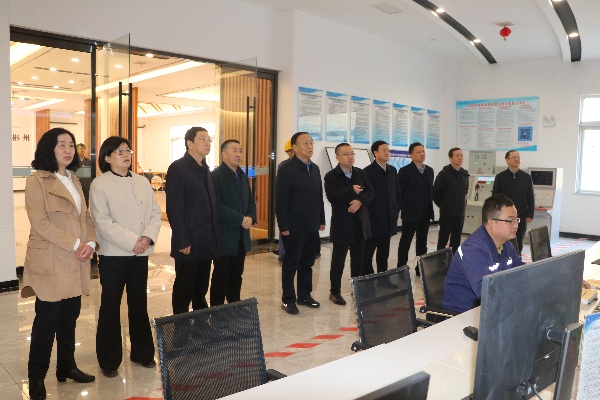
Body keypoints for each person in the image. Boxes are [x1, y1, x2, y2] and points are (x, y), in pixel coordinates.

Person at [22, 127, 96, 400]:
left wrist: (91, 243)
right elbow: (40, 223)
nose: (68, 150)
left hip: (76, 261)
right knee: (45, 323)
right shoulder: (37, 181)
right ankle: (36, 377)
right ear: (49, 149)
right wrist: (77, 244)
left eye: (71, 145)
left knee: (69, 318)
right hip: (51, 261)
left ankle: (66, 366)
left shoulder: (74, 180)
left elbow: (85, 218)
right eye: (61, 144)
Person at [90, 136, 162, 378]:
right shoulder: (100, 184)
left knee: (139, 304)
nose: (125, 155)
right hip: (114, 255)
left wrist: (147, 238)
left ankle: (142, 352)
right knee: (110, 306)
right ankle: (109, 360)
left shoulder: (142, 182)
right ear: (107, 157)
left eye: (127, 151)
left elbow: (155, 213)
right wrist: (133, 242)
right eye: (119, 151)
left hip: (140, 254)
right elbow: (102, 221)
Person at [166, 126, 219, 314]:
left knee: (201, 287)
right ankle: (180, 325)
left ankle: (201, 322)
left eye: (209, 139)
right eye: (202, 139)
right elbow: (174, 208)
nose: (207, 143)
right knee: (184, 288)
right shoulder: (178, 168)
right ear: (189, 143)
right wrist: (182, 240)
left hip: (205, 239)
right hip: (189, 240)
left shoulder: (205, 168)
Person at [442, 194, 524, 313]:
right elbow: (487, 294)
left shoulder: (506, 245)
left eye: (516, 220)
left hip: (488, 309)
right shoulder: (474, 250)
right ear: (491, 223)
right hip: (462, 314)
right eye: (510, 221)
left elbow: (522, 272)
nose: (515, 225)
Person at [275, 132, 325, 315]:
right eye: (305, 143)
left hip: (311, 224)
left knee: (307, 262)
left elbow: (318, 196)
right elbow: (281, 200)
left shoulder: (315, 168)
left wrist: (321, 219)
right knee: (291, 264)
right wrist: (284, 226)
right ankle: (288, 299)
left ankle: (304, 295)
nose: (309, 146)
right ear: (294, 148)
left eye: (311, 143)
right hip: (294, 226)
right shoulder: (286, 169)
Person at [325, 143, 374, 305]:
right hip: (342, 224)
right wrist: (350, 190)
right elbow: (332, 196)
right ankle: (335, 292)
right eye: (346, 154)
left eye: (352, 153)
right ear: (337, 157)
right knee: (338, 260)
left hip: (359, 223)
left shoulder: (360, 172)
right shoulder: (331, 176)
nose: (350, 157)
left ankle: (356, 288)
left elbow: (370, 192)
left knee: (358, 259)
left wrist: (360, 201)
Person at [210, 139, 257, 306]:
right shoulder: (215, 176)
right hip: (224, 235)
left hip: (241, 235)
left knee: (237, 274)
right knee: (221, 275)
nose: (239, 154)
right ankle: (217, 310)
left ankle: (234, 306)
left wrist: (251, 217)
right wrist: (240, 218)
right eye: (234, 150)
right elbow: (215, 206)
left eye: (240, 151)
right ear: (223, 154)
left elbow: (250, 200)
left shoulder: (242, 176)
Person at [396, 142, 434, 275]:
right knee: (405, 242)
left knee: (422, 243)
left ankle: (420, 269)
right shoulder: (405, 171)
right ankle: (401, 269)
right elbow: (399, 193)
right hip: (410, 213)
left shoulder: (429, 170)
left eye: (423, 151)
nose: (422, 154)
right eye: (418, 152)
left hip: (425, 212)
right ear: (411, 155)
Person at [362, 141, 399, 275]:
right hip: (373, 219)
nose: (387, 152)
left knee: (384, 253)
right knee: (367, 253)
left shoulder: (392, 170)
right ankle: (368, 277)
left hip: (388, 218)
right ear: (375, 153)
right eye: (384, 150)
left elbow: (397, 192)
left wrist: (396, 208)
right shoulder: (367, 172)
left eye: (388, 150)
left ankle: (383, 278)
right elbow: (365, 196)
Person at [492, 150, 535, 254]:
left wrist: (530, 214)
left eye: (518, 157)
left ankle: (517, 258)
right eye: (514, 157)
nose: (517, 159)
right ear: (507, 160)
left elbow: (530, 197)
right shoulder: (500, 177)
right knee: (504, 238)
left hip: (521, 214)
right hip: (504, 216)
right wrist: (496, 213)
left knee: (519, 239)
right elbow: (495, 197)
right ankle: (503, 259)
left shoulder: (526, 177)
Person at [433, 147, 470, 254]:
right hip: (447, 213)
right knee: (443, 239)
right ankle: (440, 260)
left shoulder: (465, 174)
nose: (460, 158)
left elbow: (465, 192)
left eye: (461, 155)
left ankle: (454, 260)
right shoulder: (444, 174)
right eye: (457, 155)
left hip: (460, 213)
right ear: (451, 158)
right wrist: (444, 205)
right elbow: (435, 193)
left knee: (456, 240)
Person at [275, 139, 294, 265]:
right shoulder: (283, 165)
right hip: (287, 204)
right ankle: (283, 257)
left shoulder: (308, 165)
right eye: (290, 151)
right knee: (285, 233)